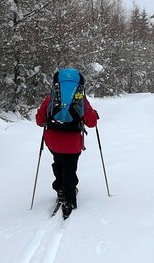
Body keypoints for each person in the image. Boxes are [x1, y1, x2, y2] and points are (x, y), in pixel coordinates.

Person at [35, 68, 98, 218]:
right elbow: (92, 123)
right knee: (70, 167)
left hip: (53, 142)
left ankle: (60, 189)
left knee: (58, 163)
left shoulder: (51, 98)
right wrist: (94, 115)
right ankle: (69, 198)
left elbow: (39, 121)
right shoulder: (80, 99)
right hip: (73, 143)